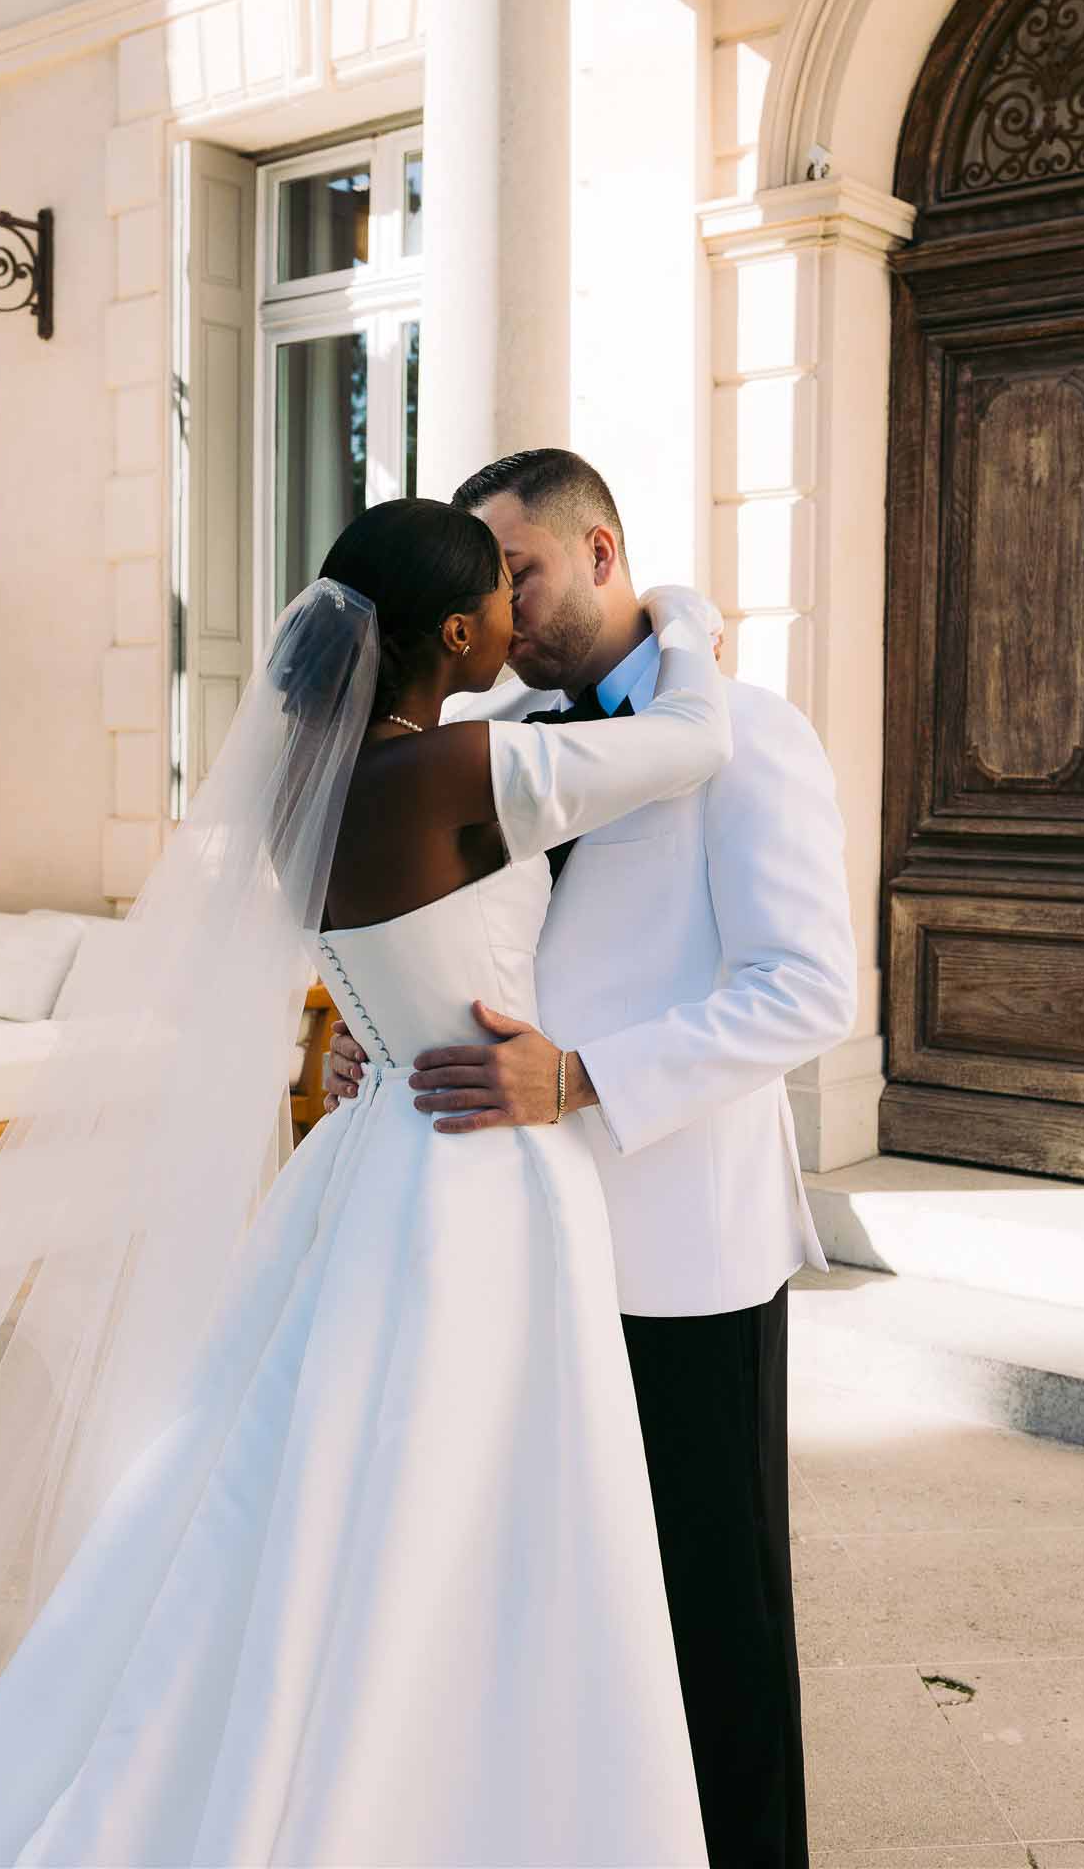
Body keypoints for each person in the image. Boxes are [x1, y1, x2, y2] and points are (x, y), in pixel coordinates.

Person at [0, 499, 734, 1869]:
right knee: (465, 1504)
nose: (517, 612)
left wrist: (370, 1049)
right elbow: (693, 745)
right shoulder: (453, 772)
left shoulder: (295, 797)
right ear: (454, 632)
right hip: (484, 1177)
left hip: (378, 1150)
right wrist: (683, 618)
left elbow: (387, 977)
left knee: (326, 1490)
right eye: (500, 592)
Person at [327, 451, 857, 1869]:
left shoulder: (743, 732)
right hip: (508, 1246)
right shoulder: (487, 730)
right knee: (556, 1605)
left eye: (523, 571)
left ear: (603, 551)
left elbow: (806, 990)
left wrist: (580, 1078)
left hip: (679, 1245)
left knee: (711, 1607)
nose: (499, 603)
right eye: (483, 582)